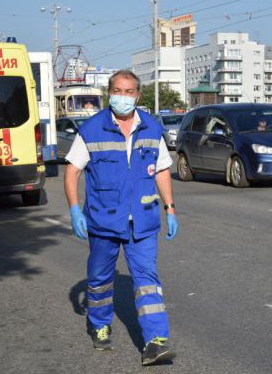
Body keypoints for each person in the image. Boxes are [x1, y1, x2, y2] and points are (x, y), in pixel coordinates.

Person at [64, 70, 178, 366]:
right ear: (109, 93)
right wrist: (75, 209)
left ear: (138, 95)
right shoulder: (92, 129)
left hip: (142, 220)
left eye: (129, 91)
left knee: (147, 280)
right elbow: (72, 171)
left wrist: (170, 207)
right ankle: (100, 324)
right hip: (103, 221)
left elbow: (162, 169)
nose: (123, 96)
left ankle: (156, 341)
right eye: (117, 90)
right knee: (100, 279)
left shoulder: (151, 128)